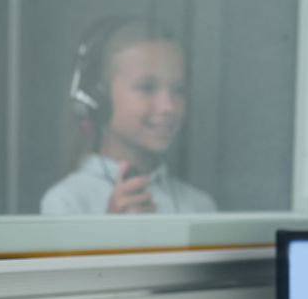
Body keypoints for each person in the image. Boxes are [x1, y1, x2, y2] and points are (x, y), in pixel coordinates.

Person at [41, 16, 217, 215]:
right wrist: (113, 230)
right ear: (99, 97)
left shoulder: (199, 206)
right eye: (147, 87)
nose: (169, 107)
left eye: (179, 90)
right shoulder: (67, 201)